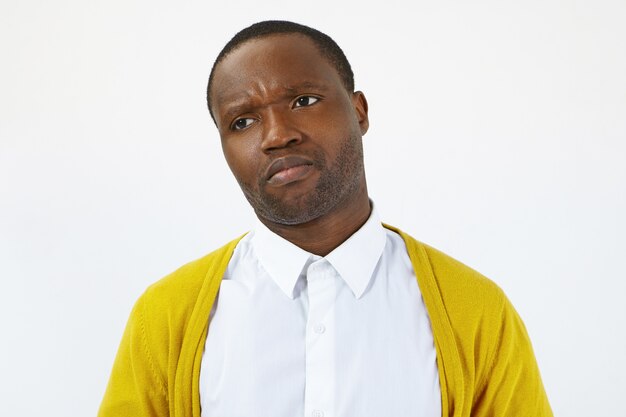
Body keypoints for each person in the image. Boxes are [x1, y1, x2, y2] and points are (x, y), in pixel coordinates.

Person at [99, 20, 552, 417]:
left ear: (359, 111)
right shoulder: (164, 319)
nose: (277, 135)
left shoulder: (474, 311)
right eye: (242, 122)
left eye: (303, 100)